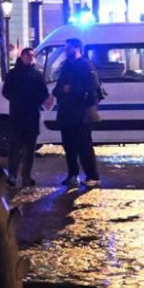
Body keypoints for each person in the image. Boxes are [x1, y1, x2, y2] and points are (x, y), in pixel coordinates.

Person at [52, 37, 102, 188]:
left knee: (84, 146)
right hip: (67, 114)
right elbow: (57, 88)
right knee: (69, 146)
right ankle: (72, 175)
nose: (65, 51)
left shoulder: (86, 66)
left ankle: (92, 176)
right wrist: (62, 91)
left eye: (68, 48)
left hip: (81, 115)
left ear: (76, 48)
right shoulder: (66, 66)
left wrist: (71, 90)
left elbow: (92, 90)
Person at [3, 46, 50, 189]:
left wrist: (37, 101)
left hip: (32, 116)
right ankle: (12, 176)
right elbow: (6, 91)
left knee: (29, 149)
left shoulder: (37, 75)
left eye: (32, 56)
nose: (31, 58)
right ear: (22, 57)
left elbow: (44, 93)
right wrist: (18, 100)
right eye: (28, 55)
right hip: (17, 116)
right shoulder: (13, 74)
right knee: (14, 148)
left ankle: (26, 176)